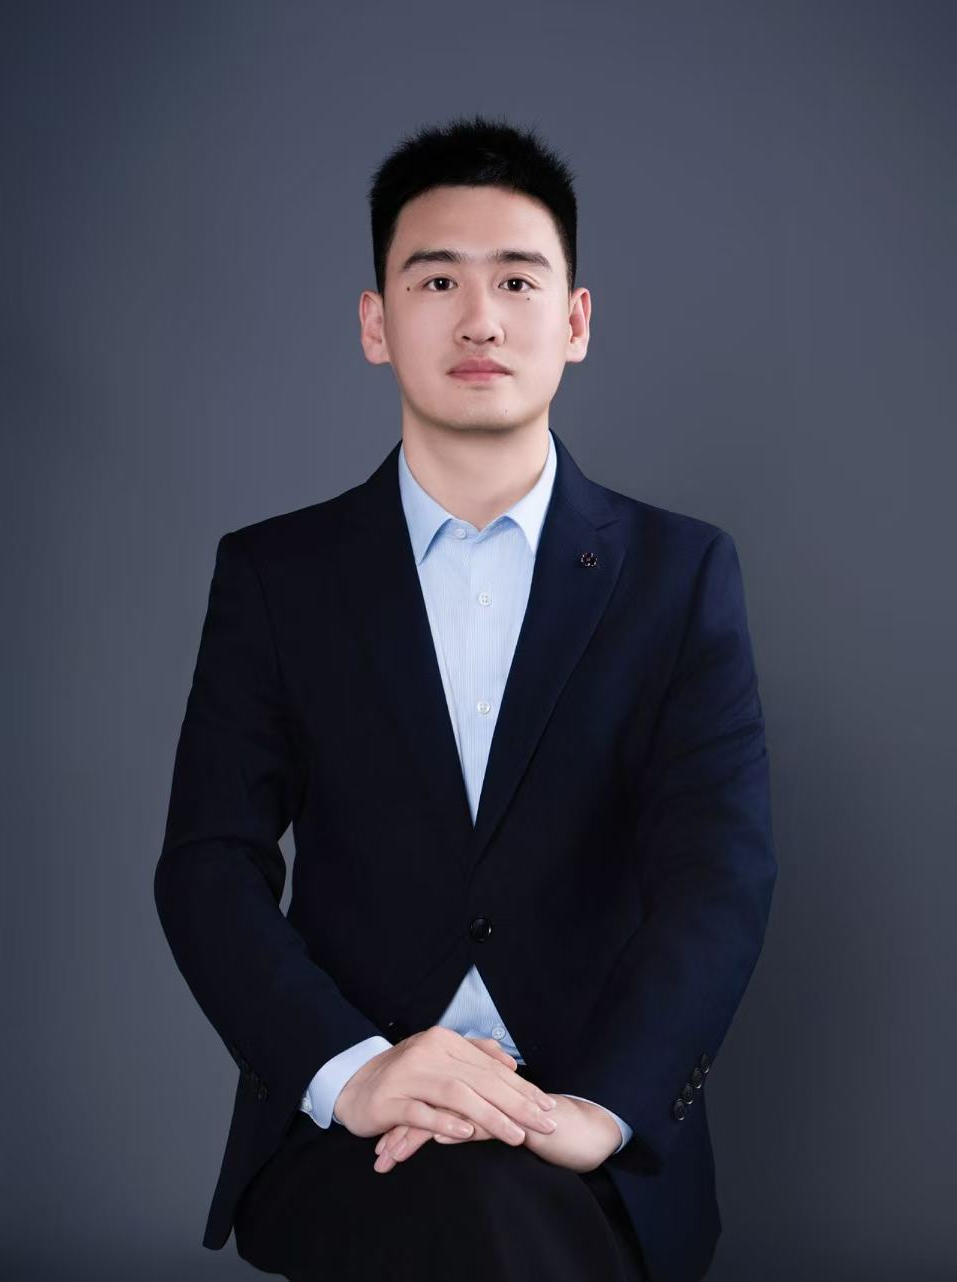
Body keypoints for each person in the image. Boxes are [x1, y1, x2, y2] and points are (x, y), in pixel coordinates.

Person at [155, 113, 777, 1282]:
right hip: (352, 1118)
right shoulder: (278, 575)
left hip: (587, 1121)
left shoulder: (680, 573)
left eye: (517, 280)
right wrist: (355, 1071)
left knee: (500, 1218)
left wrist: (600, 1106)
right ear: (376, 322)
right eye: (437, 279)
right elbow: (208, 863)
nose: (479, 318)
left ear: (575, 322)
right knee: (468, 1220)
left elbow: (720, 875)